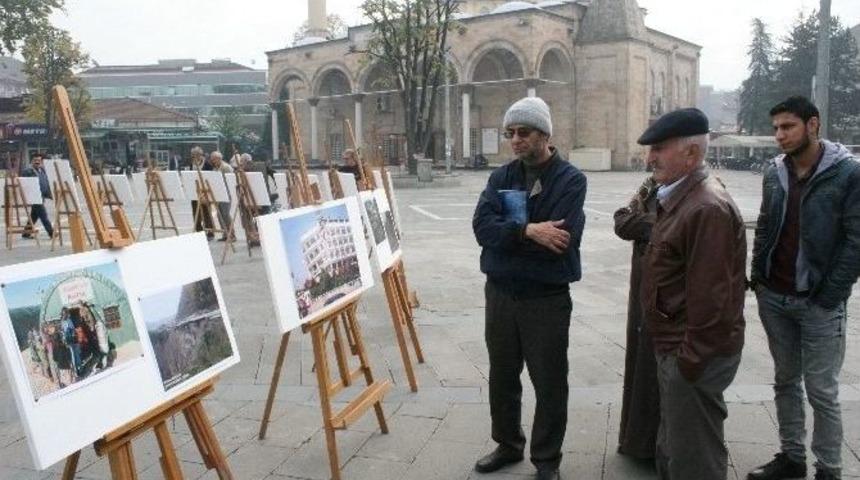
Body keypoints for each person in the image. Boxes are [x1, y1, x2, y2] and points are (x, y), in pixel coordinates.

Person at [472, 97, 587, 480]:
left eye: (524, 132)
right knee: (502, 374)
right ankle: (507, 443)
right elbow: (481, 228)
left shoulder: (571, 180)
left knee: (549, 380)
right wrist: (528, 230)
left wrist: (508, 240)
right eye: (511, 133)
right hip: (501, 294)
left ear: (544, 134)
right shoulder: (500, 177)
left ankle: (547, 460)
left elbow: (561, 243)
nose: (516, 140)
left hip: (545, 298)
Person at [747, 96, 860, 480]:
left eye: (788, 126)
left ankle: (829, 469)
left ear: (813, 125)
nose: (780, 135)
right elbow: (764, 224)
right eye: (776, 127)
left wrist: (830, 294)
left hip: (819, 302)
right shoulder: (773, 171)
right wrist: (758, 276)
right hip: (775, 297)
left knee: (822, 391)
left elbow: (856, 239)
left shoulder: (847, 173)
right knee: (785, 381)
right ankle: (791, 458)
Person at [637, 108, 746, 480]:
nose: (650, 157)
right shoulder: (681, 197)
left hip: (692, 354)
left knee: (694, 457)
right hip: (675, 346)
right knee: (675, 446)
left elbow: (714, 302)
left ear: (692, 154)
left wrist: (689, 363)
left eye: (660, 148)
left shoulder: (705, 207)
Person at [613, 175, 660, 460]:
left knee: (661, 374)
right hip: (644, 288)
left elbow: (678, 227)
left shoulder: (705, 190)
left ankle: (657, 446)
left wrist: (642, 222)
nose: (653, 157)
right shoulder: (651, 184)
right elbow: (622, 222)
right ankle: (638, 442)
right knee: (640, 365)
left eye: (660, 148)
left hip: (672, 299)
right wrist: (652, 223)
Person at [22, 152, 55, 239]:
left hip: (41, 196)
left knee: (34, 216)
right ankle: (51, 233)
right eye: (35, 160)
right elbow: (26, 184)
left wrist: (50, 195)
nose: (37, 162)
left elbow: (45, 184)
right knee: (44, 216)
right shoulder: (28, 171)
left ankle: (26, 233)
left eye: (39, 160)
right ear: (31, 161)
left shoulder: (42, 170)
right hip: (34, 197)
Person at [189, 146, 215, 239]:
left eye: (196, 155)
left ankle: (210, 232)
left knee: (206, 212)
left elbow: (210, 178)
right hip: (194, 191)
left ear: (200, 155)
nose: (194, 157)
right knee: (195, 212)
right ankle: (199, 231)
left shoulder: (207, 164)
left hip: (205, 191)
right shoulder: (191, 163)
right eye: (193, 155)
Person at [209, 151, 235, 241]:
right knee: (220, 215)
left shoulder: (226, 167)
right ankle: (225, 234)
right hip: (218, 194)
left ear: (219, 158)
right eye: (212, 159)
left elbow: (230, 180)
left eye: (213, 159)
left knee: (225, 214)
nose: (212, 161)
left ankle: (231, 234)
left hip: (226, 193)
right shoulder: (216, 168)